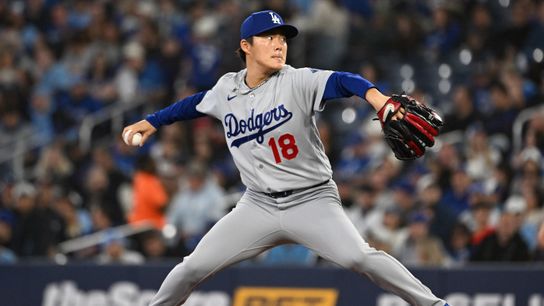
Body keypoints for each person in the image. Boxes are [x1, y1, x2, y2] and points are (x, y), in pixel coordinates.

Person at [122, 10, 448, 306]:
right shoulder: (226, 90)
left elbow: (344, 81)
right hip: (257, 206)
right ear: (246, 46)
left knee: (360, 259)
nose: (279, 45)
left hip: (313, 200)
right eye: (269, 38)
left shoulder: (297, 80)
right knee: (191, 268)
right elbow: (192, 104)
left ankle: (434, 305)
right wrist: (151, 121)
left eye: (283, 38)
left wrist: (377, 99)